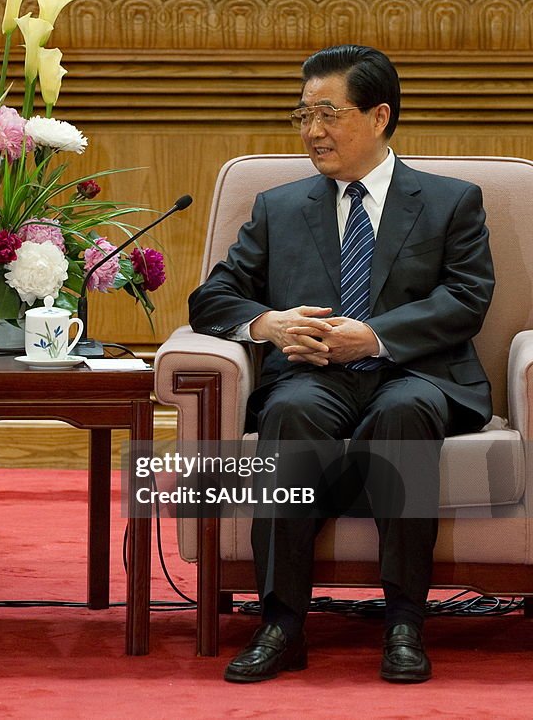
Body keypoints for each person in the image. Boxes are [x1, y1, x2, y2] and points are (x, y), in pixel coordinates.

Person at [188, 45, 494, 684]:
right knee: (293, 412)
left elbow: (466, 298)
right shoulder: (279, 208)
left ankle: (405, 622)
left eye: (328, 113)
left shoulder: (450, 201)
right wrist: (267, 324)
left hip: (415, 374)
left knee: (406, 412)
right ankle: (281, 625)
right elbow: (212, 297)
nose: (312, 131)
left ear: (379, 115)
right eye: (302, 115)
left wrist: (374, 338)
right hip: (312, 377)